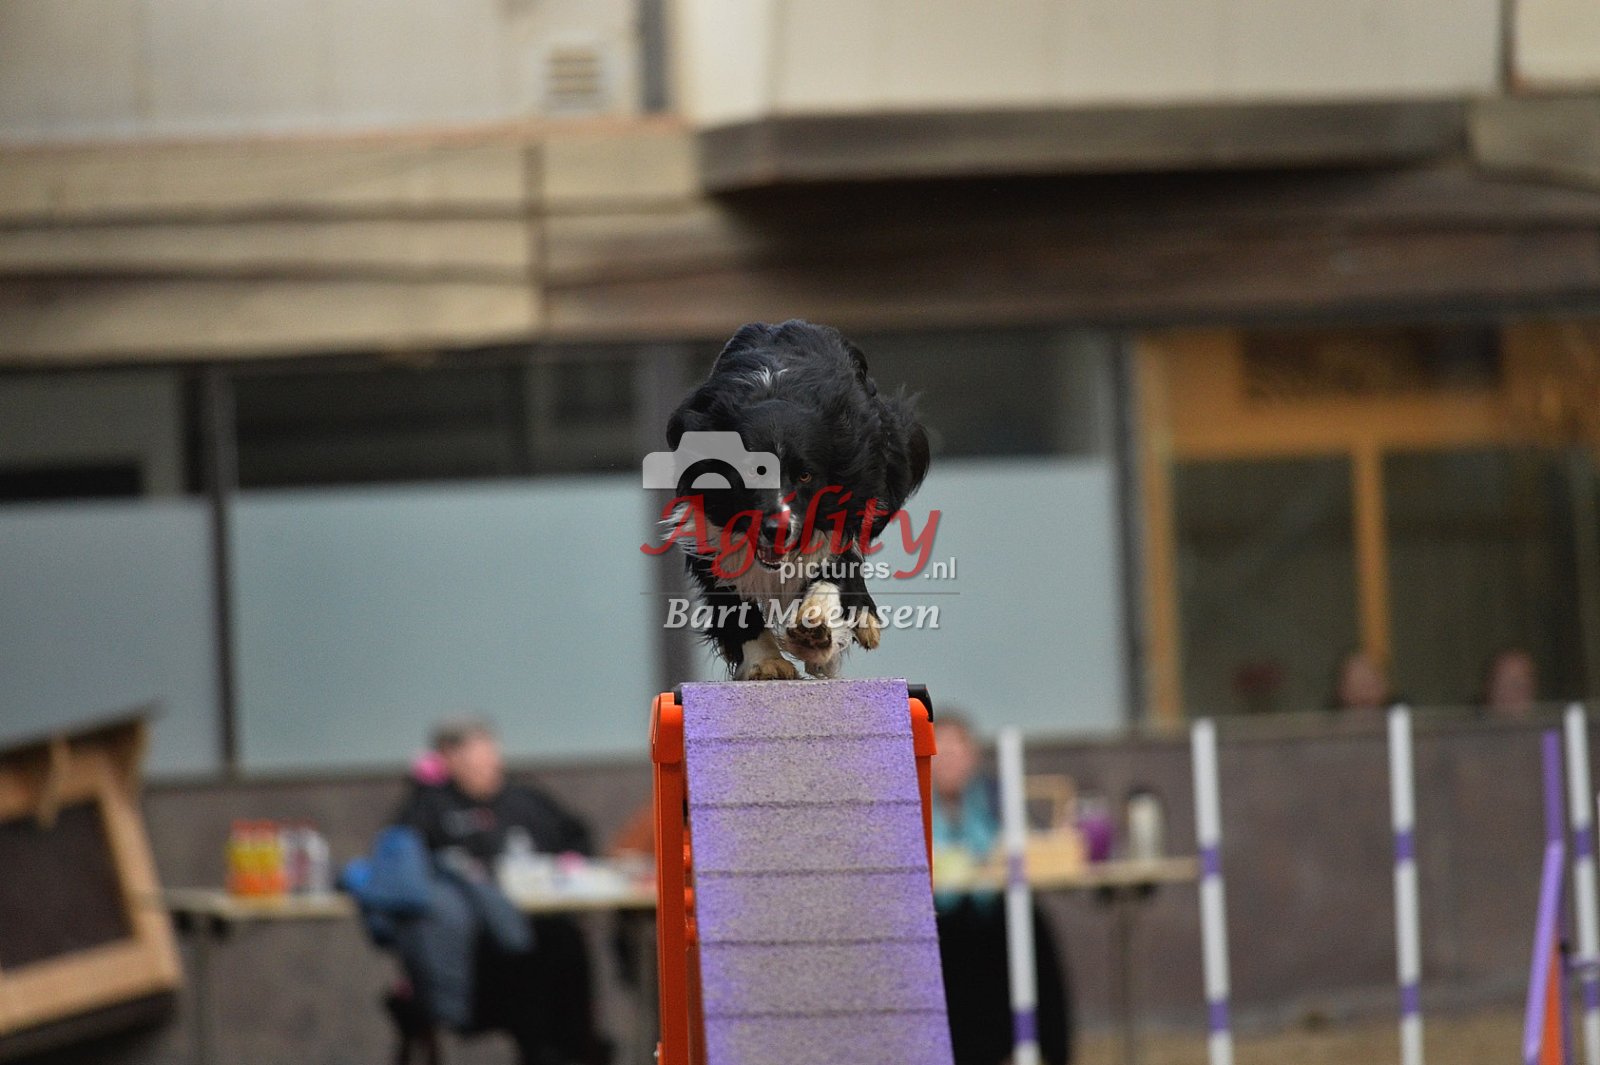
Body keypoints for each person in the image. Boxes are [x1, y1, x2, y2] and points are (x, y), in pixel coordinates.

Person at [393, 717, 612, 1065]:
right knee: (532, 964)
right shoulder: (429, 808)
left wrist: (570, 864)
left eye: (493, 756)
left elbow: (576, 837)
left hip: (543, 929)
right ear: (449, 759)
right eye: (478, 759)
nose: (491, 766)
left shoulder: (525, 798)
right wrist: (422, 788)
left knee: (564, 945)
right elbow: (403, 865)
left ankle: (573, 1051)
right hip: (477, 949)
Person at [931, 712, 1074, 1065]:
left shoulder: (995, 797)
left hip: (992, 917)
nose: (949, 761)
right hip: (941, 921)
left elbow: (1031, 844)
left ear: (972, 756)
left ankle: (1043, 1045)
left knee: (1029, 923)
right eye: (940, 751)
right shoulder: (911, 801)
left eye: (956, 750)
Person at [1332, 648, 1392, 714]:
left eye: (1370, 686)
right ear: (1342, 690)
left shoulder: (1398, 716)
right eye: (1357, 687)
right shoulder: (1329, 718)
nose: (1365, 695)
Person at [1484, 648, 1539, 720]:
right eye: (1500, 686)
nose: (1507, 694)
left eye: (1516, 685)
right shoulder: (1473, 726)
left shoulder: (1550, 726)